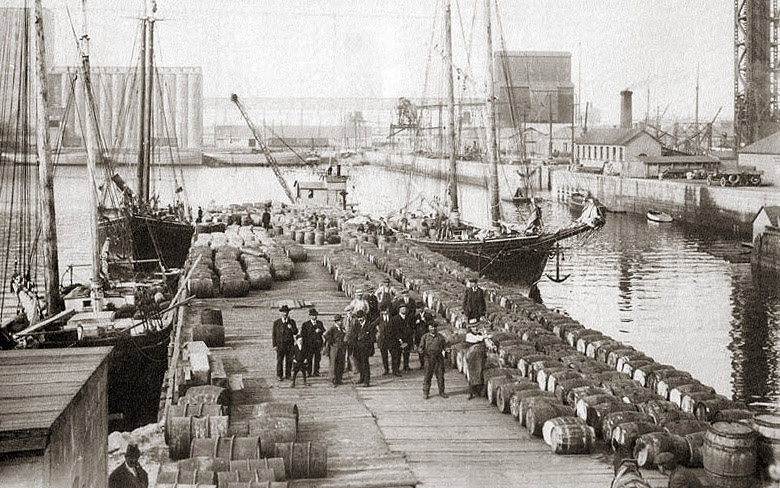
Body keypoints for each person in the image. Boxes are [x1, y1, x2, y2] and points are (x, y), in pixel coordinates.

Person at [419, 321, 448, 399]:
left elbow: (445, 347)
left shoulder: (440, 337)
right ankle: (426, 392)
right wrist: (420, 351)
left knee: (440, 376)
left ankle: (442, 392)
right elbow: (421, 347)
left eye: (434, 327)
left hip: (438, 358)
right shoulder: (425, 337)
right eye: (431, 327)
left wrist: (447, 350)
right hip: (428, 358)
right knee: (427, 376)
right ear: (428, 328)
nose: (433, 329)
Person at [348, 310, 376, 387]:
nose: (360, 319)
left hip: (366, 348)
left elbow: (372, 338)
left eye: (361, 317)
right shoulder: (356, 324)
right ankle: (361, 378)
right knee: (360, 364)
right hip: (357, 347)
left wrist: (370, 348)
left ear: (364, 317)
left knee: (365, 364)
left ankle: (367, 381)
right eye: (358, 317)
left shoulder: (369, 325)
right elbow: (354, 336)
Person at [374, 304, 402, 377]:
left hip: (391, 340)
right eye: (384, 310)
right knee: (384, 356)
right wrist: (377, 331)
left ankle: (395, 370)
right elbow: (371, 326)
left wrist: (399, 338)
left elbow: (397, 329)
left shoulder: (393, 318)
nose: (386, 311)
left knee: (394, 355)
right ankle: (386, 370)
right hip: (382, 340)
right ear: (382, 312)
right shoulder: (379, 319)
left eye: (387, 310)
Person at [272, 305, 298, 380]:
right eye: (283, 312)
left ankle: (288, 375)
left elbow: (295, 332)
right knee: (280, 360)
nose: (285, 314)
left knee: (289, 360)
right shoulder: (277, 323)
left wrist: (291, 328)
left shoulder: (292, 322)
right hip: (280, 345)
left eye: (286, 312)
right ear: (281, 313)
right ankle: (279, 375)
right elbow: (274, 334)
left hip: (289, 345)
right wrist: (274, 345)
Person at [323, 314, 347, 387]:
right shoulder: (332, 328)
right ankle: (332, 381)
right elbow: (325, 335)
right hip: (334, 348)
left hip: (341, 348)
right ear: (337, 321)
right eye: (340, 320)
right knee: (333, 364)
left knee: (341, 363)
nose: (341, 322)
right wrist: (332, 342)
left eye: (341, 320)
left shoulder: (342, 328)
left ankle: (339, 379)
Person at [300, 308, 326, 377]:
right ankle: (309, 372)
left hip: (318, 344)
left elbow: (324, 330)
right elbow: (303, 334)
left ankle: (316, 372)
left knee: (317, 359)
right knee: (309, 358)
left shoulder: (319, 323)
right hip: (309, 345)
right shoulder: (305, 324)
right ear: (310, 316)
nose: (315, 317)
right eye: (313, 315)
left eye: (316, 315)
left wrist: (320, 330)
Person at [464, 328, 488, 399]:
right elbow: (475, 339)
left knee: (480, 372)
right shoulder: (469, 335)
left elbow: (486, 342)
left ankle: (480, 391)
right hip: (472, 356)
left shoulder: (480, 334)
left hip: (480, 356)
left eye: (476, 327)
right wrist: (485, 336)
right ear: (471, 328)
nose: (475, 329)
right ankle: (471, 392)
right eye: (473, 327)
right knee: (471, 373)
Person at [396, 304, 414, 371]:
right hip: (399, 339)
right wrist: (399, 338)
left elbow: (411, 327)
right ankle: (397, 368)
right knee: (398, 354)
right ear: (399, 310)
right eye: (402, 309)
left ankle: (406, 366)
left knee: (407, 353)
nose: (404, 310)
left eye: (405, 309)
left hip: (407, 338)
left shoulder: (409, 318)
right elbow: (395, 330)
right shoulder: (396, 318)